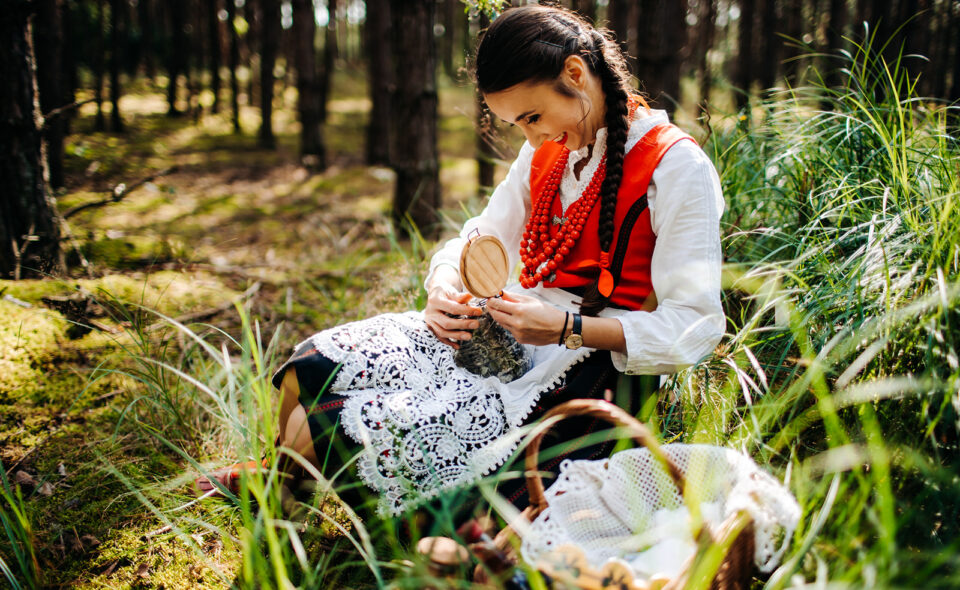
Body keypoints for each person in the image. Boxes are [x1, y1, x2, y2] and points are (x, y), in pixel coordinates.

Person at [196, 4, 725, 520]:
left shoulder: (677, 167)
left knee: (340, 422)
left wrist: (568, 327)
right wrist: (446, 284)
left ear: (575, 73)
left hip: (592, 372)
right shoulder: (548, 148)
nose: (531, 136)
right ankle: (285, 485)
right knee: (315, 363)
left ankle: (288, 486)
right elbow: (481, 235)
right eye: (518, 123)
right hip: (509, 332)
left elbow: (696, 327)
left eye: (532, 116)